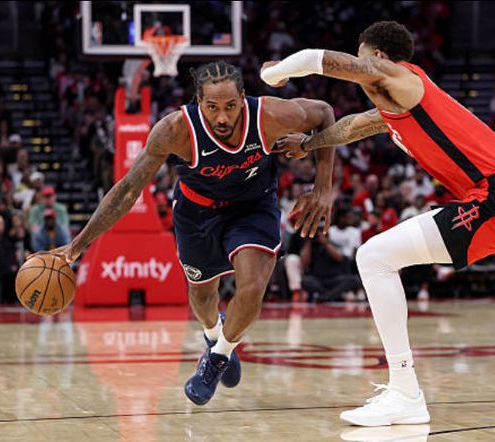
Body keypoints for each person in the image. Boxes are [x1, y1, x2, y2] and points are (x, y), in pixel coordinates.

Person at [261, 20, 495, 426]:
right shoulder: (399, 104)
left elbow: (327, 61)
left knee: (374, 257)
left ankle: (404, 392)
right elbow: (352, 126)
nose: (361, 71)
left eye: (363, 58)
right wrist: (309, 144)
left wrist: (278, 72)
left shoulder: (402, 77)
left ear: (378, 56)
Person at [31, 61, 336, 406]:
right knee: (203, 300)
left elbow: (324, 113)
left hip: (252, 207)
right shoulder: (175, 129)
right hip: (197, 213)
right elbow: (127, 190)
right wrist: (76, 246)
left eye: (231, 106)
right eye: (212, 107)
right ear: (198, 101)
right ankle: (214, 333)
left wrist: (323, 189)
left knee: (252, 287)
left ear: (243, 98)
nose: (222, 117)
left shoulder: (269, 116)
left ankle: (218, 357)